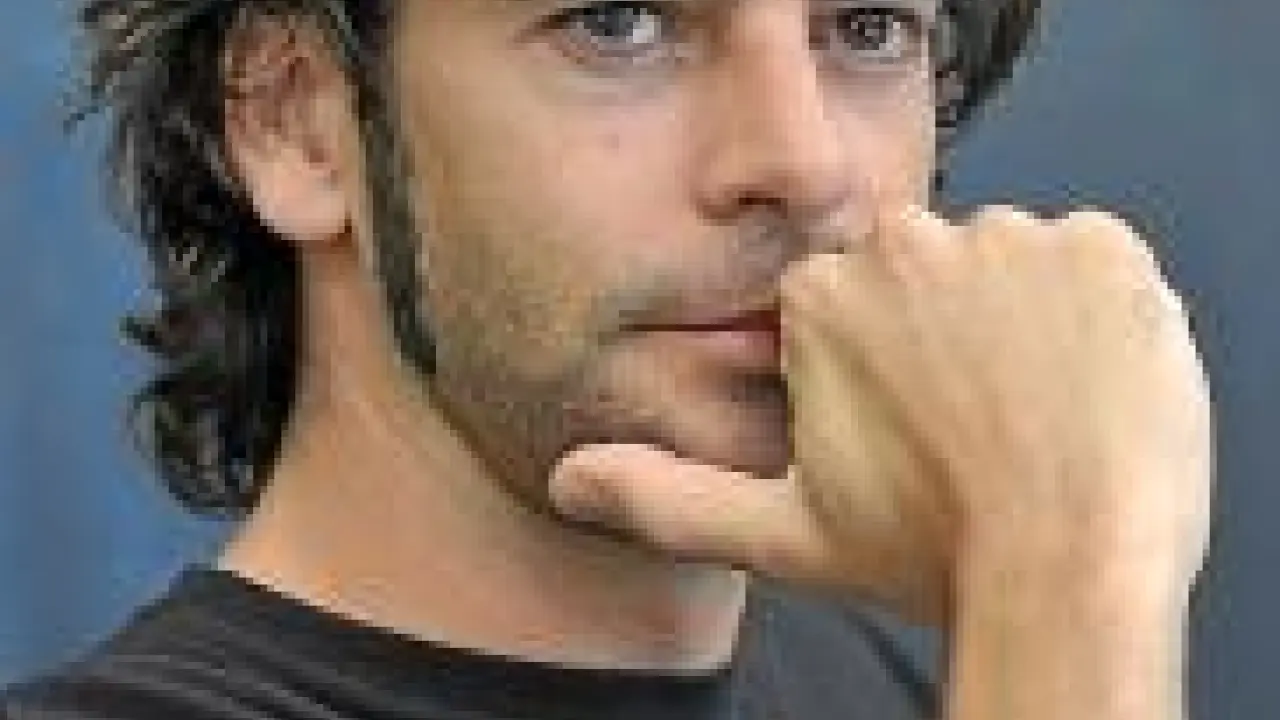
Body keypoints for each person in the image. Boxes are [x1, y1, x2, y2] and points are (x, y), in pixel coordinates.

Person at [2, 0, 1213, 718]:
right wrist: (1074, 584)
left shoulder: (898, 680)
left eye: (865, 28)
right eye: (618, 21)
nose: (803, 162)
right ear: (294, 118)